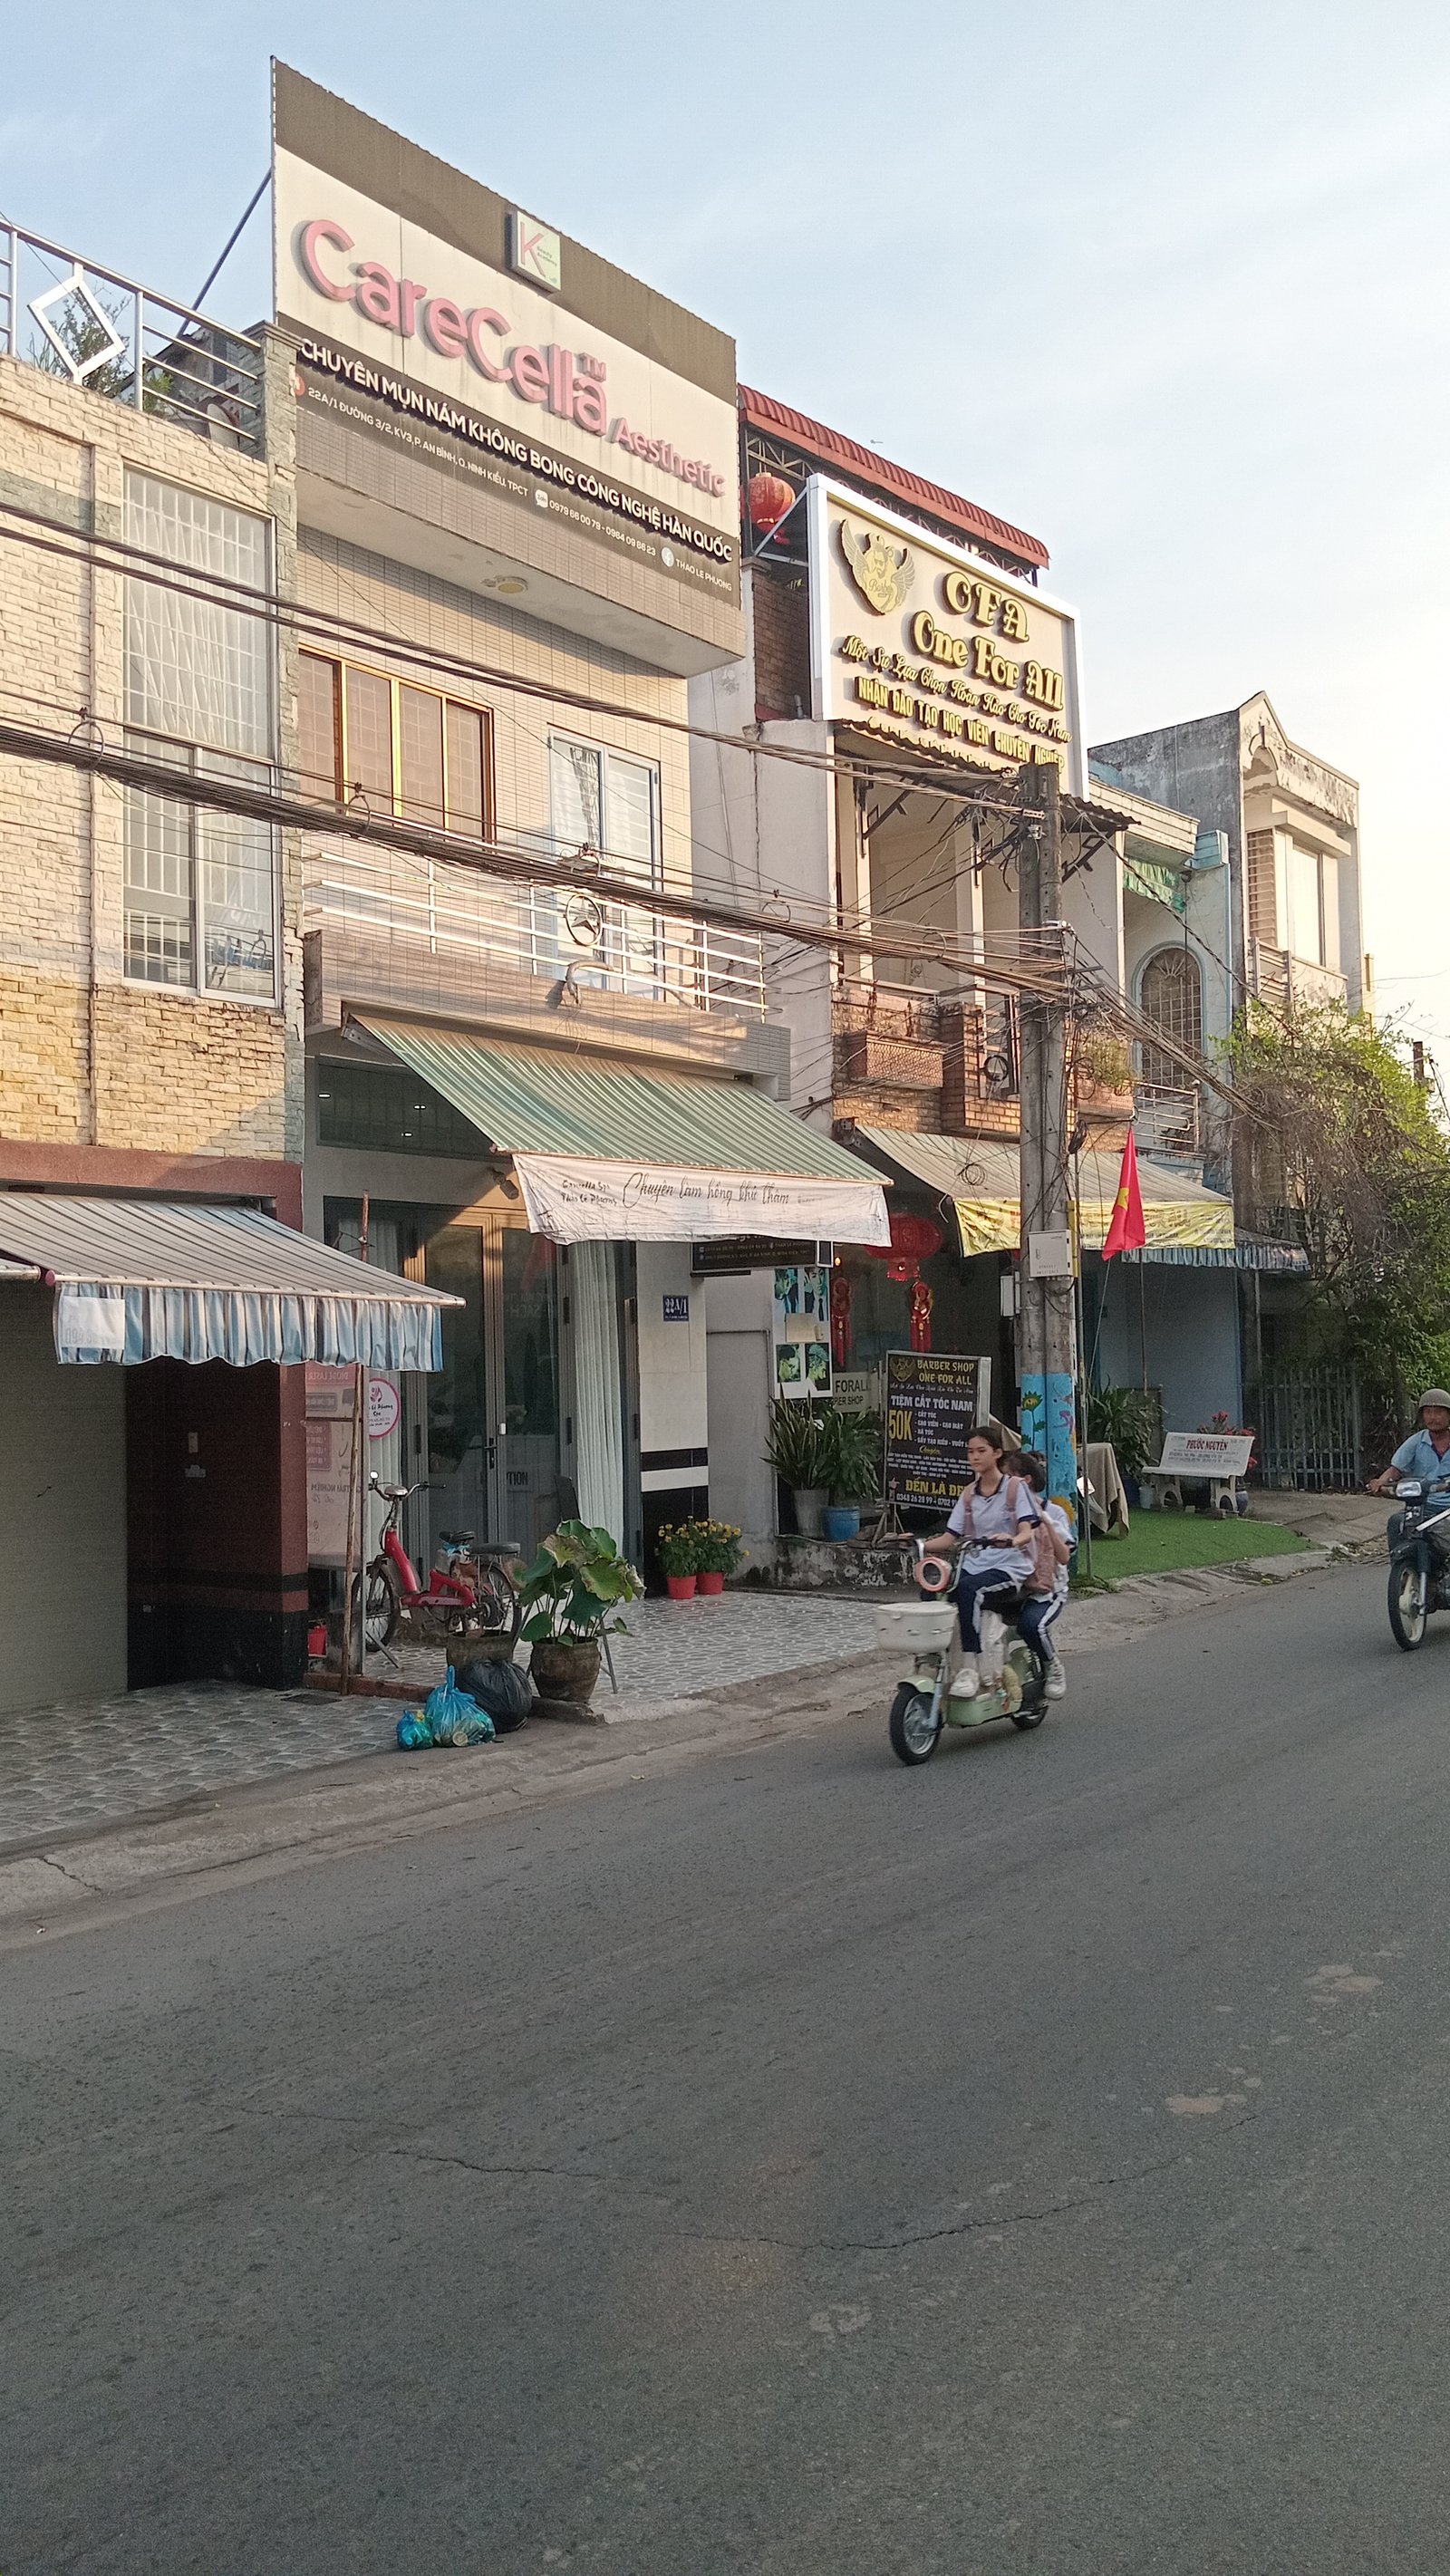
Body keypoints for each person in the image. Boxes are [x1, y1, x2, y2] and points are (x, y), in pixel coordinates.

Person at [914, 1422, 1044, 1699]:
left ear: (997, 1453)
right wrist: (918, 1544)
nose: (974, 1457)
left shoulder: (1015, 1488)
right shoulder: (969, 1494)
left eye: (981, 1451)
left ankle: (969, 1669)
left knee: (968, 1590)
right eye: (970, 1451)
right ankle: (931, 1658)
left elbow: (1027, 1532)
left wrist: (1011, 1540)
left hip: (1009, 1567)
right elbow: (949, 1537)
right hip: (974, 1565)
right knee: (932, 1589)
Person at [1019, 1450, 1071, 1701]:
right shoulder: (998, 1509)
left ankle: (1053, 1666)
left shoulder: (1053, 1512)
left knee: (1031, 1625)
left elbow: (1064, 1556)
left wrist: (1045, 1523)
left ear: (1025, 1480)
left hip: (1047, 1590)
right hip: (1010, 1585)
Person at [1368, 1390, 1450, 1540]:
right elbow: (1395, 1469)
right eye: (1428, 1412)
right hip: (1424, 1505)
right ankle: (1401, 1556)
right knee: (1396, 1522)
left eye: (1438, 1412)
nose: (1433, 1417)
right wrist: (1381, 1483)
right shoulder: (1416, 1441)